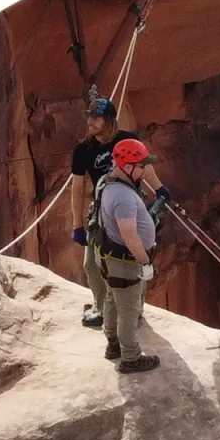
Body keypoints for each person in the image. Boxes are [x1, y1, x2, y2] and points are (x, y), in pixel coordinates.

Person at [68, 97, 162, 327]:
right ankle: (101, 310)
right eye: (88, 117)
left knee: (133, 259)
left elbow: (144, 166)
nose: (89, 122)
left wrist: (160, 189)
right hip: (101, 210)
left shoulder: (127, 139)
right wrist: (77, 225)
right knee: (92, 264)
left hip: (131, 205)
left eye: (95, 118)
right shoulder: (83, 150)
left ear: (109, 121)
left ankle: (135, 311)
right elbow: (77, 188)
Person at [93, 137, 163, 373]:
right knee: (129, 310)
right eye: (141, 165)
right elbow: (129, 235)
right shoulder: (122, 196)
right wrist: (145, 261)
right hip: (125, 261)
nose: (145, 170)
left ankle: (113, 344)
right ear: (127, 165)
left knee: (112, 299)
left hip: (108, 257)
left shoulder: (106, 181)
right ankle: (131, 358)